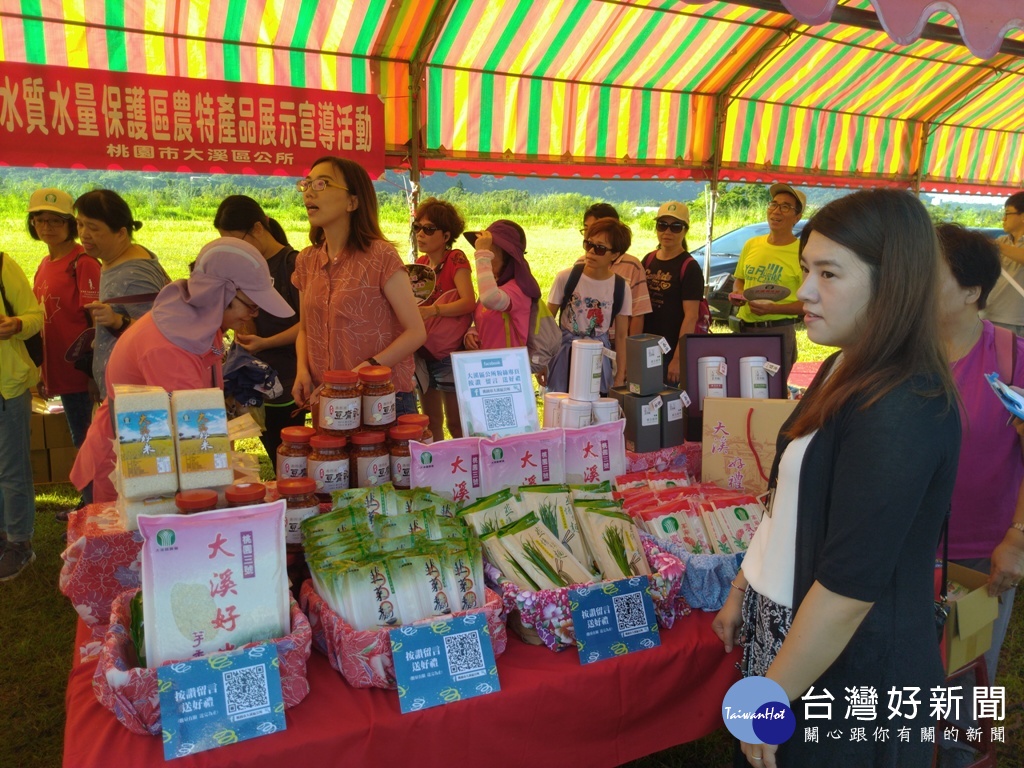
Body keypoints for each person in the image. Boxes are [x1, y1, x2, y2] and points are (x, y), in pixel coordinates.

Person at [713, 189, 961, 768]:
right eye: (806, 269)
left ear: (893, 281)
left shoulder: (905, 401)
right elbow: (787, 500)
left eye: (829, 273)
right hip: (794, 641)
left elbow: (849, 590)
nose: (803, 291)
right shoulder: (841, 362)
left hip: (854, 670)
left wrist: (771, 697)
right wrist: (744, 589)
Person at [70, 238, 295, 505]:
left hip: (156, 467)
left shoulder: (199, 322)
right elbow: (188, 436)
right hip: (130, 474)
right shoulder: (170, 348)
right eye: (252, 305)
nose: (253, 316)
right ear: (220, 294)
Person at [934, 224, 1024, 767]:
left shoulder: (1011, 358)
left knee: (965, 676)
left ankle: (963, 755)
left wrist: (1018, 537)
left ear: (971, 291)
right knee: (905, 674)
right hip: (901, 544)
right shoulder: (895, 351)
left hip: (979, 552)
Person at [291, 157, 426, 420]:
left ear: (353, 202)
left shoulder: (380, 256)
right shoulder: (306, 260)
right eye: (307, 184)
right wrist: (302, 371)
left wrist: (365, 370)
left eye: (322, 184)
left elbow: (416, 332)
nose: (309, 191)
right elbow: (305, 329)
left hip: (383, 397)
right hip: (328, 397)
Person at [27, 188, 102, 517]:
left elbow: (97, 323)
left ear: (71, 224)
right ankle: (89, 500)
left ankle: (93, 505)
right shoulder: (45, 263)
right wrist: (42, 372)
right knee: (81, 437)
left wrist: (93, 373)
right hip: (57, 369)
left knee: (86, 440)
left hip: (80, 372)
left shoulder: (83, 264)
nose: (47, 226)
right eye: (40, 219)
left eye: (56, 220)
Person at [214, 195, 304, 465]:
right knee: (270, 449)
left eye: (236, 241)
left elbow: (309, 325)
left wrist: (266, 343)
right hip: (252, 378)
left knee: (289, 457)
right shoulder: (243, 267)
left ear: (257, 228)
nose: (232, 250)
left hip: (288, 379)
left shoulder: (293, 264)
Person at [75, 189, 170, 401]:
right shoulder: (121, 256)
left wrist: (118, 321)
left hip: (134, 397)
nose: (83, 234)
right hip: (121, 391)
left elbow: (160, 335)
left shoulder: (133, 276)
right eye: (80, 224)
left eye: (93, 228)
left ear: (121, 233)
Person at [412, 198, 476, 440]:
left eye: (429, 229)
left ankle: (462, 467)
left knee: (456, 422)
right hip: (423, 350)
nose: (421, 234)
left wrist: (433, 311)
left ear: (446, 235)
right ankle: (441, 468)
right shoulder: (420, 264)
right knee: (430, 420)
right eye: (417, 227)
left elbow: (469, 302)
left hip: (450, 353)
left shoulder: (456, 259)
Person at [547, 217, 632, 394]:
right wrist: (541, 360)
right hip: (564, 355)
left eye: (600, 248)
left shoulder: (620, 287)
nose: (591, 252)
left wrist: (619, 375)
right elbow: (546, 323)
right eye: (588, 244)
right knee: (561, 410)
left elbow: (623, 335)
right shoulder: (566, 278)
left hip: (598, 359)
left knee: (595, 410)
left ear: (615, 255)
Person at [730, 183, 806, 378]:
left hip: (777, 333)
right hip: (743, 329)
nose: (776, 211)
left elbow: (807, 304)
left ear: (797, 217)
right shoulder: (752, 244)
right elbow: (740, 280)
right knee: (738, 387)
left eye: (785, 207)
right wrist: (738, 294)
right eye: (773, 204)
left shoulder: (802, 253)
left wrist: (774, 309)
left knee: (772, 392)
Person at [0, 252, 44, 582]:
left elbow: (35, 316)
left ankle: (19, 544)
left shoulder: (3, 265)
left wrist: (16, 324)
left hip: (7, 387)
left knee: (12, 470)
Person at [642, 201, 704, 386]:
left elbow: (691, 317)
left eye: (675, 227)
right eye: (662, 225)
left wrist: (677, 359)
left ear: (685, 230)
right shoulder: (648, 259)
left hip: (669, 350)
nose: (667, 232)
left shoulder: (690, 267)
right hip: (645, 345)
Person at [463, 219, 542, 356]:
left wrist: (482, 253)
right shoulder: (494, 286)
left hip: (509, 371)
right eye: (486, 253)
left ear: (508, 257)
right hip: (489, 367)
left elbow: (490, 299)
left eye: (490, 253)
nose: (487, 258)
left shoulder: (518, 290)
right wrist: (472, 333)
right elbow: (487, 321)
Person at [577, 203, 651, 338]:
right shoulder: (580, 264)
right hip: (582, 341)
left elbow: (638, 313)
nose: (588, 235)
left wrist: (630, 350)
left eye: (596, 229)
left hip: (615, 343)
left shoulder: (632, 266)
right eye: (586, 229)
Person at [981, 190, 1024, 335]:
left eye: (1008, 213)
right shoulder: (1002, 240)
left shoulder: (999, 245)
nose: (1003, 218)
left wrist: (995, 246)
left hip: (1017, 320)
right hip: (991, 314)